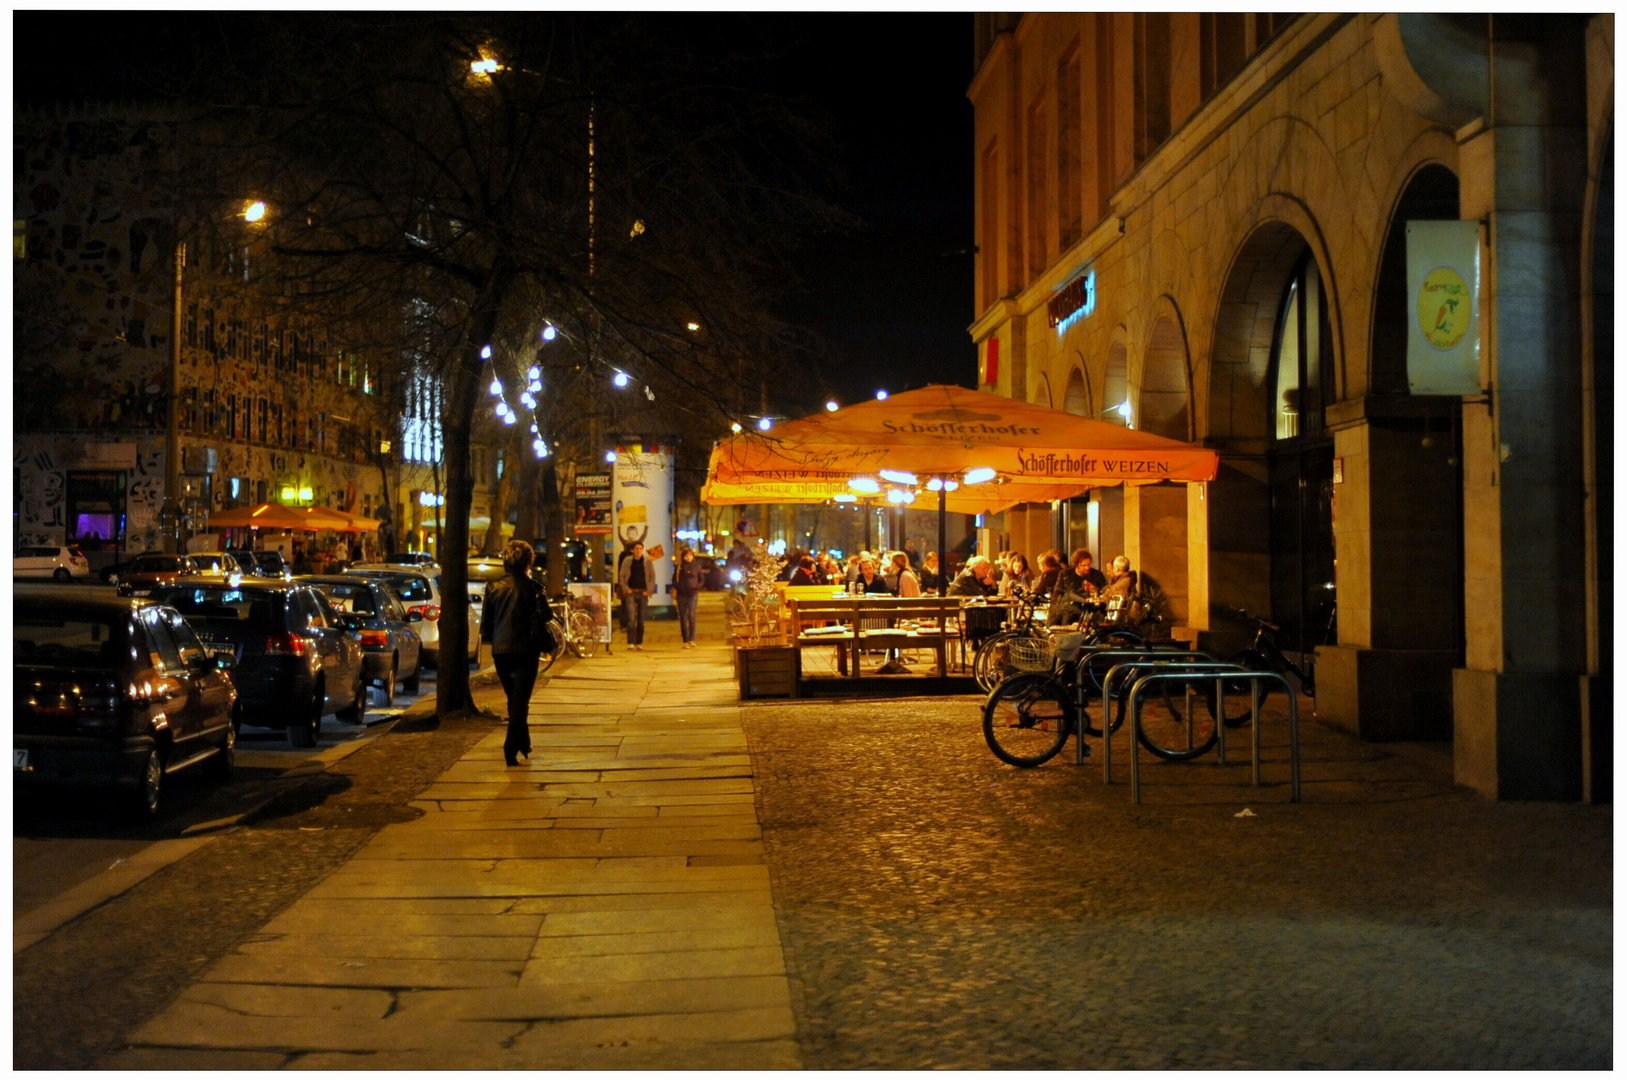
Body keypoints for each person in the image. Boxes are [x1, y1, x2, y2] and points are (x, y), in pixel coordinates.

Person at [479, 539, 546, 767]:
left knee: (514, 699)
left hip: (501, 651)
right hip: (527, 650)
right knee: (520, 701)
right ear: (528, 561)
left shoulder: (493, 587)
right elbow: (546, 615)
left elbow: (486, 626)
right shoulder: (534, 588)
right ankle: (511, 747)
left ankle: (523, 742)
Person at [618, 540, 656, 650]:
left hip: (643, 592)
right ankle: (630, 642)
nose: (638, 551)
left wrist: (648, 591)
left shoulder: (647, 561)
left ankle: (639, 642)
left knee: (641, 618)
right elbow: (622, 576)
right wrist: (626, 589)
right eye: (636, 549)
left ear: (643, 550)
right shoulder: (627, 560)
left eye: (640, 548)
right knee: (631, 617)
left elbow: (652, 577)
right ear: (632, 550)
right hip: (631, 592)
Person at [673, 547, 705, 648]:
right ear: (683, 557)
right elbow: (674, 580)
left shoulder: (697, 566)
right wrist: (679, 587)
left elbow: (701, 579)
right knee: (683, 616)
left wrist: (697, 587)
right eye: (686, 555)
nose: (688, 557)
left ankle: (692, 639)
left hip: (693, 594)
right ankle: (685, 640)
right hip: (681, 595)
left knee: (691, 615)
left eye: (690, 555)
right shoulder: (679, 567)